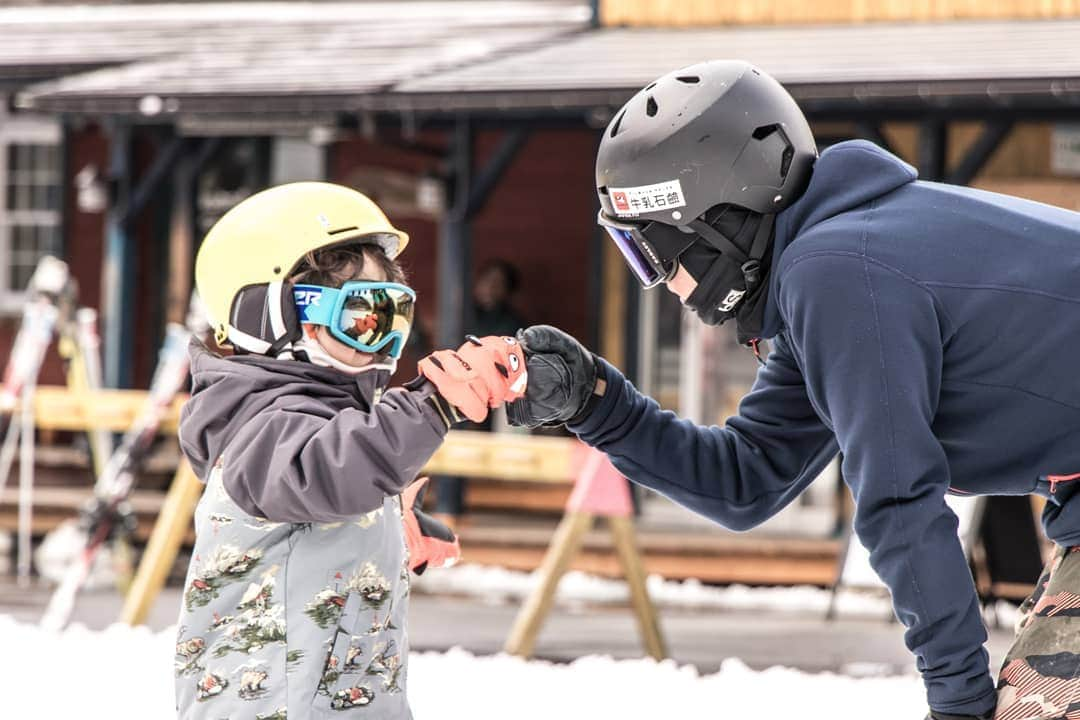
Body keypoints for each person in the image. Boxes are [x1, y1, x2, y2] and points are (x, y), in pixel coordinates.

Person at [507, 60, 1080, 720]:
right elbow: (746, 479)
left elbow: (899, 499)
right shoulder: (841, 269)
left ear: (711, 228)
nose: (663, 284)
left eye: (652, 256)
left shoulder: (838, 272)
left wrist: (958, 701)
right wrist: (596, 403)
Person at [174, 182, 526, 719]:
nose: (383, 338)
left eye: (394, 315)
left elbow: (320, 501)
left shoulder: (319, 421)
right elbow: (324, 471)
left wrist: (380, 534)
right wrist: (435, 405)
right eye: (361, 317)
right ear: (270, 316)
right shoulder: (256, 422)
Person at [435, 259, 528, 518]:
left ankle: (494, 495)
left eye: (497, 284)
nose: (489, 288)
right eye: (487, 281)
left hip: (493, 393)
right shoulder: (461, 313)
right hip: (457, 385)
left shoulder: (512, 322)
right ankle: (452, 495)